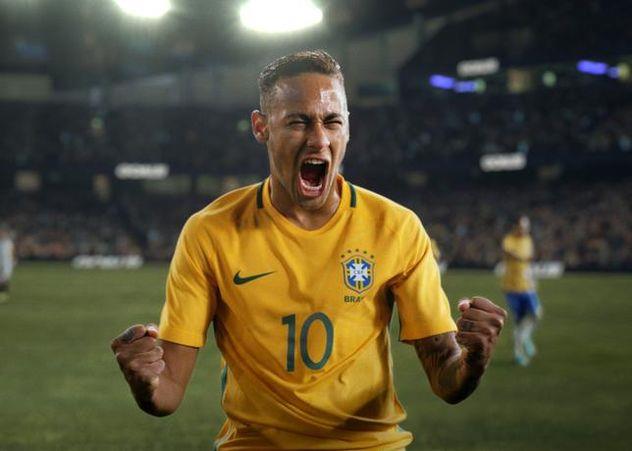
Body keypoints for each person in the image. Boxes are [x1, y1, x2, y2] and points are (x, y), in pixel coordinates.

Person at [111, 50, 507, 450]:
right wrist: (146, 380)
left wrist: (472, 360)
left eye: (332, 121)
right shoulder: (209, 232)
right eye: (298, 122)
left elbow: (446, 378)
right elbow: (168, 393)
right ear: (261, 127)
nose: (319, 139)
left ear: (348, 128)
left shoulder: (396, 228)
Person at [501, 214, 542, 366]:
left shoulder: (528, 240)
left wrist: (533, 279)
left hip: (527, 286)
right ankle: (518, 354)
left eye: (527, 227)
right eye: (522, 227)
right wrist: (523, 258)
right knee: (519, 321)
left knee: (536, 314)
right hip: (512, 288)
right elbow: (509, 253)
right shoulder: (509, 240)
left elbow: (529, 263)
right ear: (516, 227)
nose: (525, 230)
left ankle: (525, 338)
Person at [0, 224, 16, 304]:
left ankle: (3, 294)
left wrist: (13, 260)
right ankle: (3, 293)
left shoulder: (9, 243)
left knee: (4, 279)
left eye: (2, 232)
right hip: (1, 263)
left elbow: (12, 252)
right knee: (2, 279)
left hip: (7, 264)